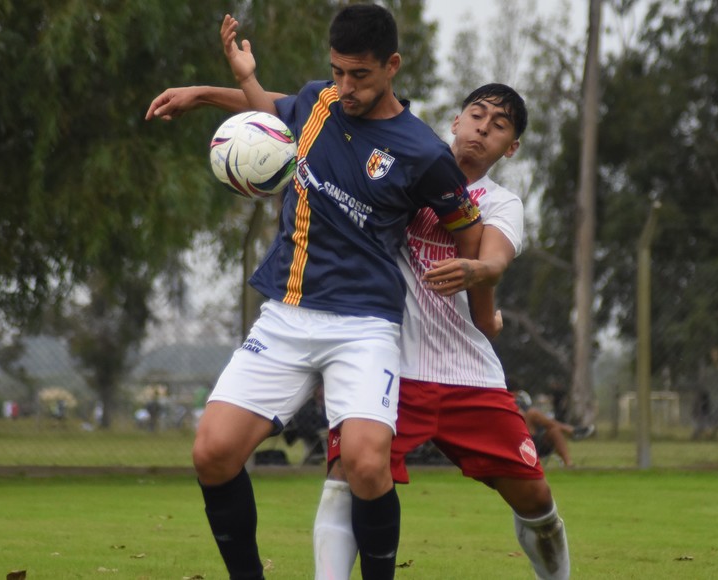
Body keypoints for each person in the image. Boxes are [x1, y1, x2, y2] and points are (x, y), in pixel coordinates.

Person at [146, 6, 483, 580]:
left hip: (365, 325)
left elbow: (469, 229)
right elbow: (274, 110)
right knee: (213, 453)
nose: (345, 88)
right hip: (287, 314)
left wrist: (476, 273)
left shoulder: (423, 152)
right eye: (336, 72)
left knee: (366, 464)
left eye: (360, 75)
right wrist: (204, 92)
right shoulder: (320, 101)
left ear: (392, 66)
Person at [315, 84, 571, 580]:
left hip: (468, 375)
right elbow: (312, 114)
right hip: (387, 365)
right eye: (476, 115)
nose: (482, 128)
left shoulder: (501, 202)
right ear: (455, 121)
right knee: (347, 473)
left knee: (536, 498)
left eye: (499, 126)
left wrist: (479, 272)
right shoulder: (406, 169)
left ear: (510, 147)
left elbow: (494, 258)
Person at [515, 390, 595, 467]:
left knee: (554, 430)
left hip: (535, 442)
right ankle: (571, 431)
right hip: (520, 444)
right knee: (532, 413)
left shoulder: (518, 400)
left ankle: (569, 465)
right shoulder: (508, 405)